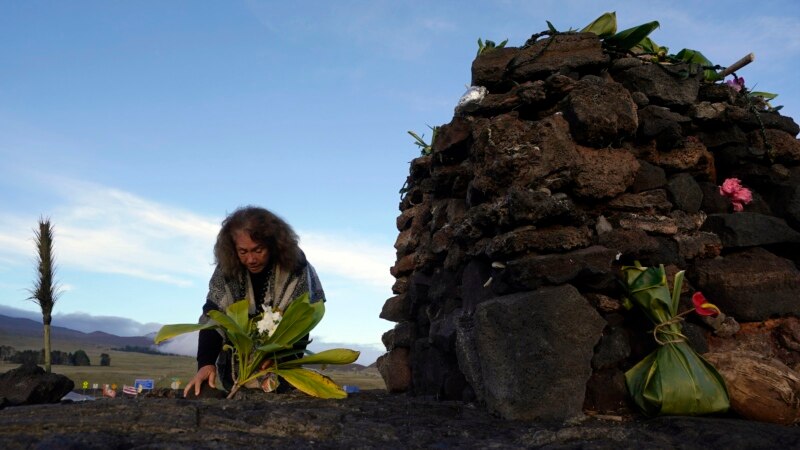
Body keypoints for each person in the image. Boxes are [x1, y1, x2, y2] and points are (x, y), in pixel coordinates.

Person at [184, 206, 325, 397]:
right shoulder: (226, 269)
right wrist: (206, 362)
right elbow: (214, 315)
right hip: (234, 372)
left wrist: (281, 360)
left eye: (258, 250)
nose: (251, 259)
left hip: (279, 367)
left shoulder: (296, 267)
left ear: (274, 245)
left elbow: (301, 321)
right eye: (243, 252)